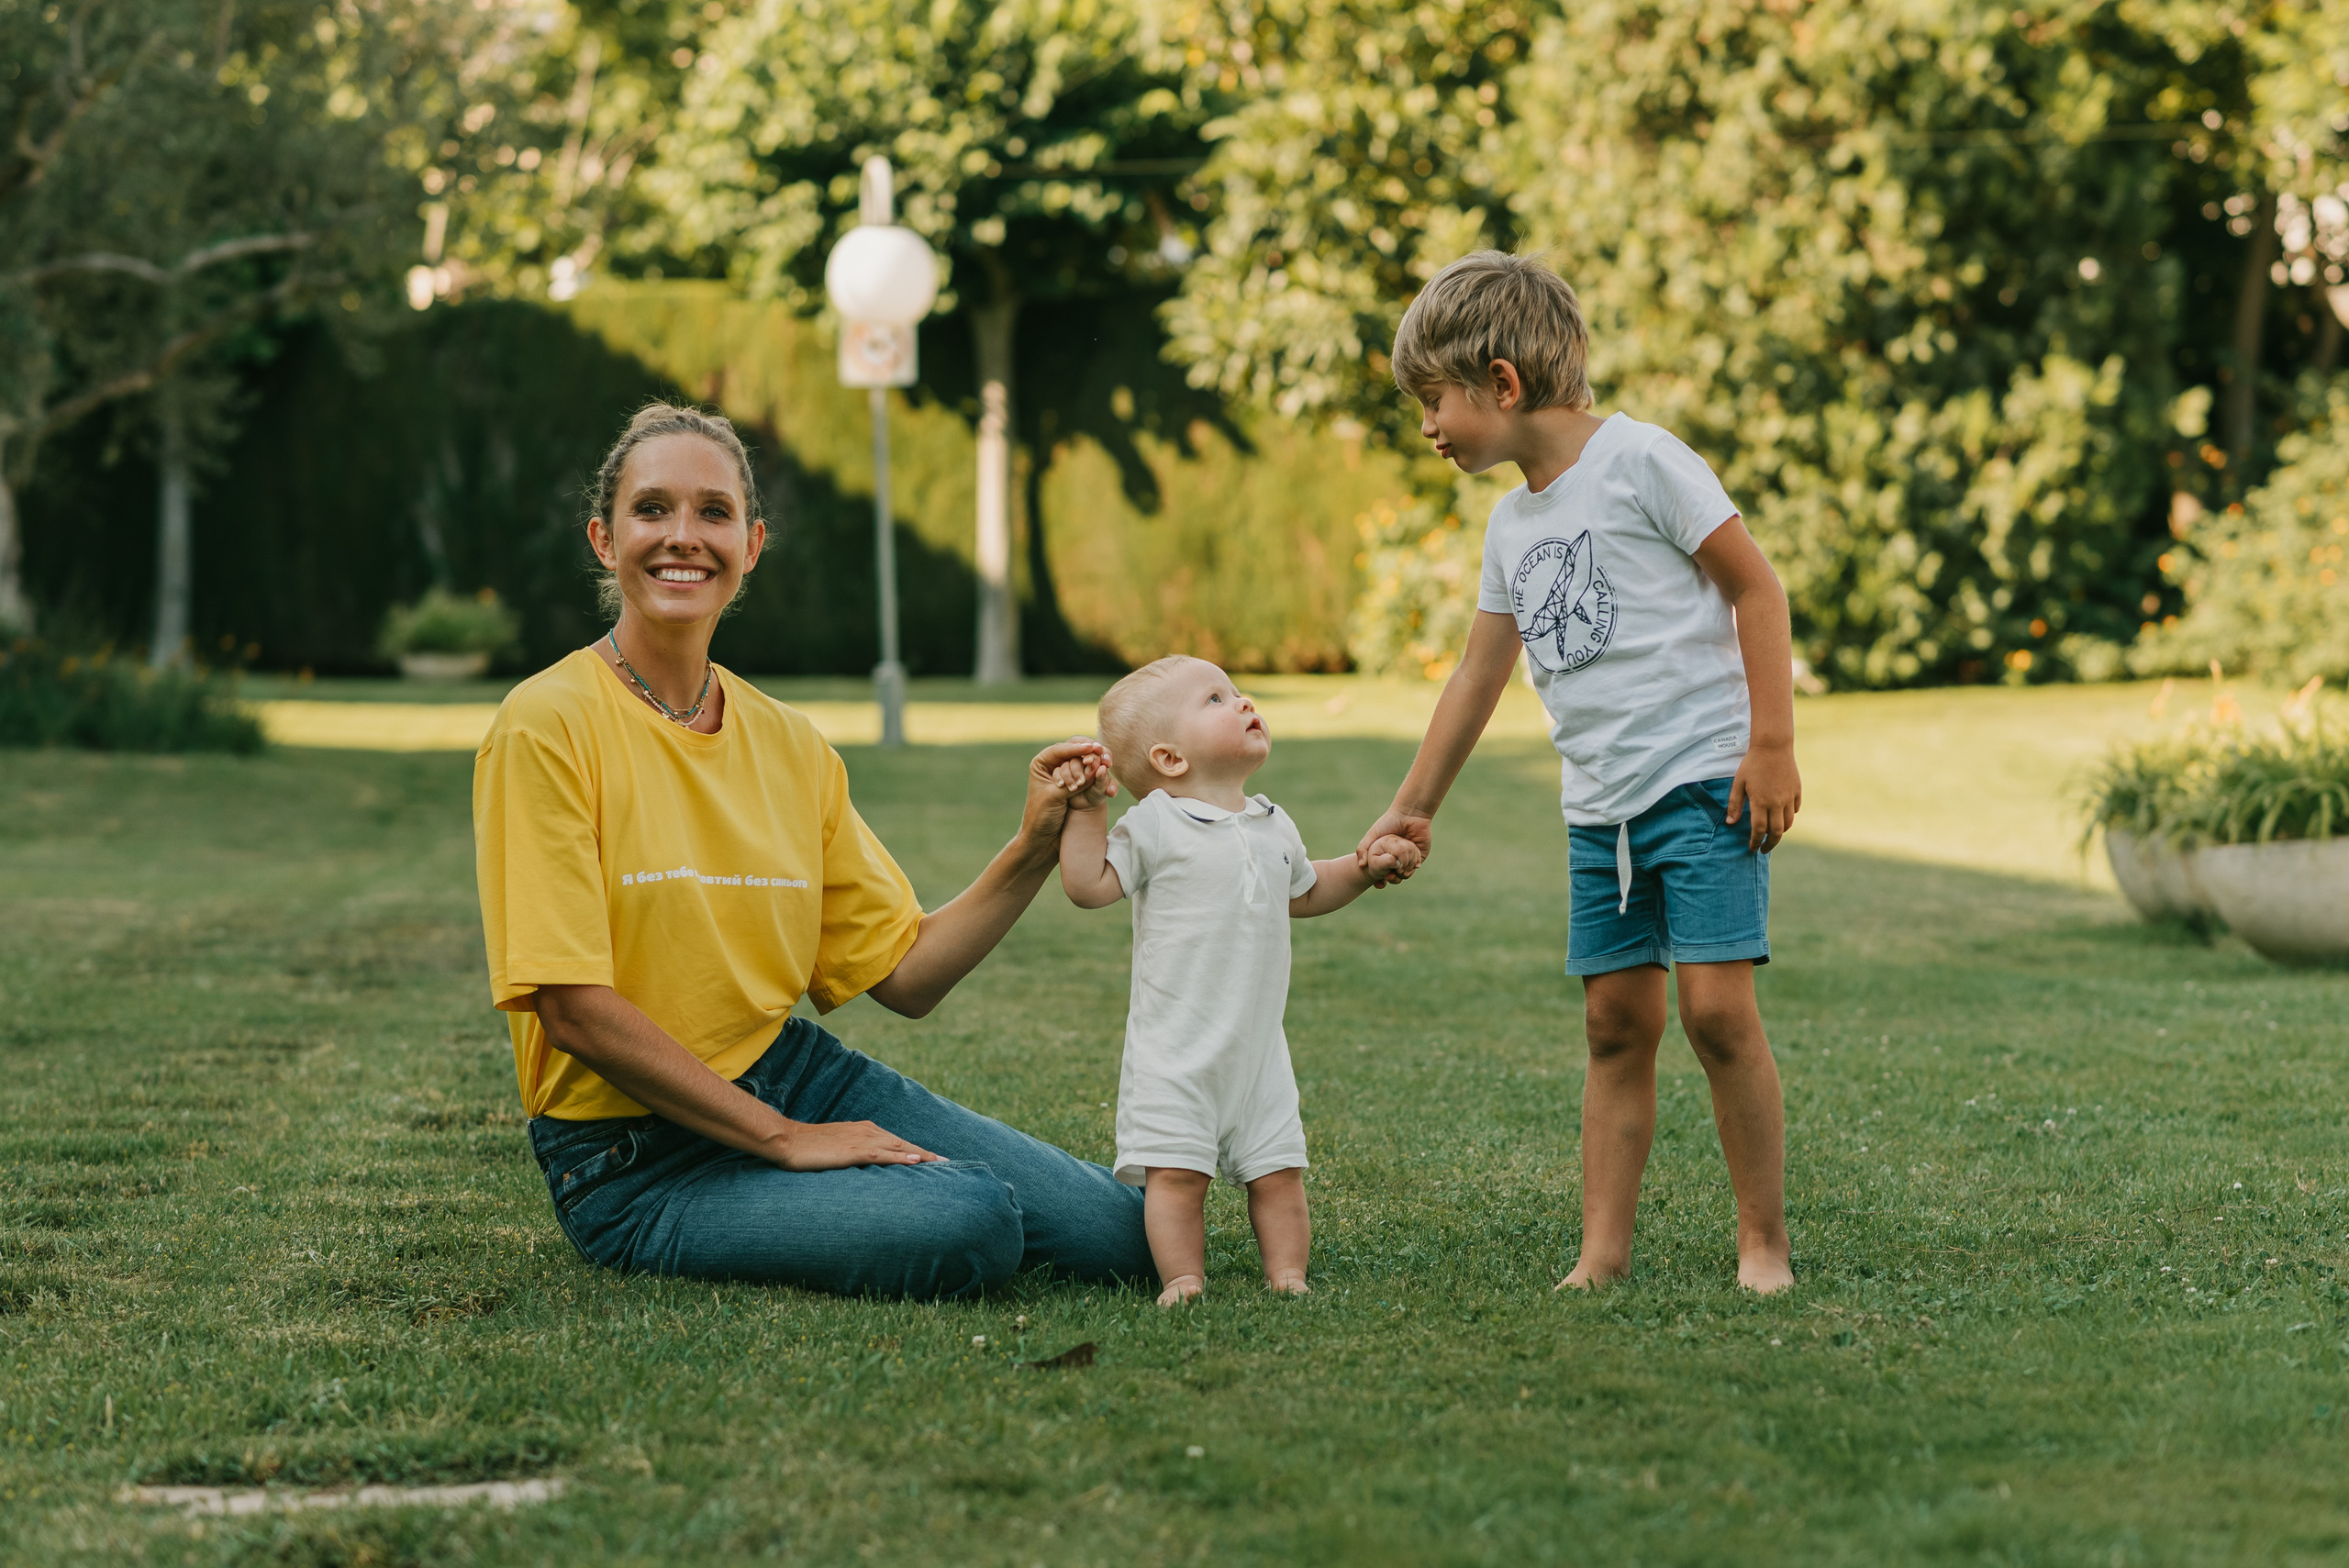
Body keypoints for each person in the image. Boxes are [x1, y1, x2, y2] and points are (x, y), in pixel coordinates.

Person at [472, 401, 1152, 1301]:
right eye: (652, 509)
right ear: (604, 537)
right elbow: (573, 1008)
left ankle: (844, 1178)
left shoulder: (788, 743)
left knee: (1129, 1234)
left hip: (790, 1071)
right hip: (633, 1155)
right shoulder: (546, 725)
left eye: (714, 511)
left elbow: (906, 974)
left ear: (751, 543)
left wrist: (1033, 843)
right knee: (973, 1221)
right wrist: (782, 1137)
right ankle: (802, 1184)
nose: (684, 536)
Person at [1353, 251, 1802, 1295]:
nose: (1427, 426)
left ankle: (1762, 1246)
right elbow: (1477, 673)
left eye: (1433, 399)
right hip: (1598, 809)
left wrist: (1770, 741)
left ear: (1501, 384)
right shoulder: (1512, 525)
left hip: (1701, 783)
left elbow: (1757, 588)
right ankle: (1601, 1254)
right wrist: (1412, 808)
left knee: (1716, 1013)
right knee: (1614, 1023)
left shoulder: (1644, 461)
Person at [1052, 656, 1423, 1306]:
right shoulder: (1157, 822)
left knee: (1280, 1171)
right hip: (1176, 1054)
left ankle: (1289, 1275)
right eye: (1216, 698)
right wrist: (1084, 811)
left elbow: (1304, 891)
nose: (1243, 700)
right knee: (1177, 1176)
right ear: (1169, 759)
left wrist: (1364, 869)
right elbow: (1089, 886)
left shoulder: (1272, 821)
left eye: (1236, 690)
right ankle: (1183, 1278)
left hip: (1258, 1053)